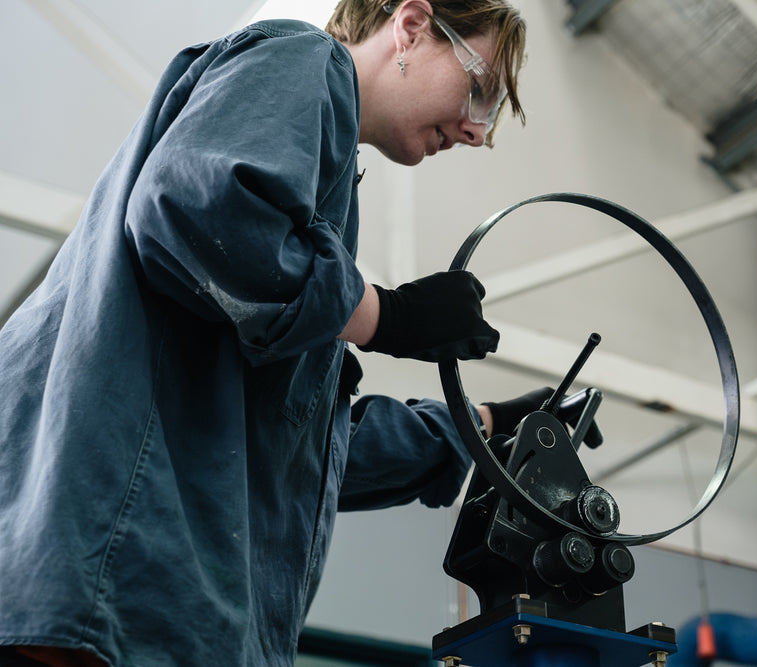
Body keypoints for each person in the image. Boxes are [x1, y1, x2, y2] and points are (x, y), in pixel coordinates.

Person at [0, 1, 536, 665]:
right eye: (480, 89)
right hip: (99, 587)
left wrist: (478, 426)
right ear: (412, 25)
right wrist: (383, 315)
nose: (475, 131)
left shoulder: (312, 214)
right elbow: (193, 208)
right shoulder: (302, 59)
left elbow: (295, 451)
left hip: (146, 610)